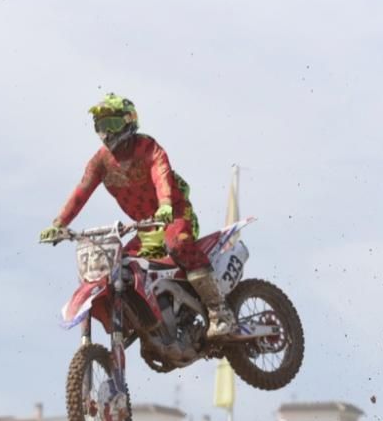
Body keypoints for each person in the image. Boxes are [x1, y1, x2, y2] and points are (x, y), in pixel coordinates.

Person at [39, 93, 236, 338]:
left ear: (129, 121)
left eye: (112, 125)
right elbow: (81, 191)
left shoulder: (148, 148)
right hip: (145, 228)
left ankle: (219, 310)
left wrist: (165, 205)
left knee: (177, 243)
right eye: (100, 127)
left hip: (173, 214)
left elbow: (161, 174)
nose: (106, 133)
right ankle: (146, 322)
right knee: (119, 267)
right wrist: (59, 224)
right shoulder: (100, 161)